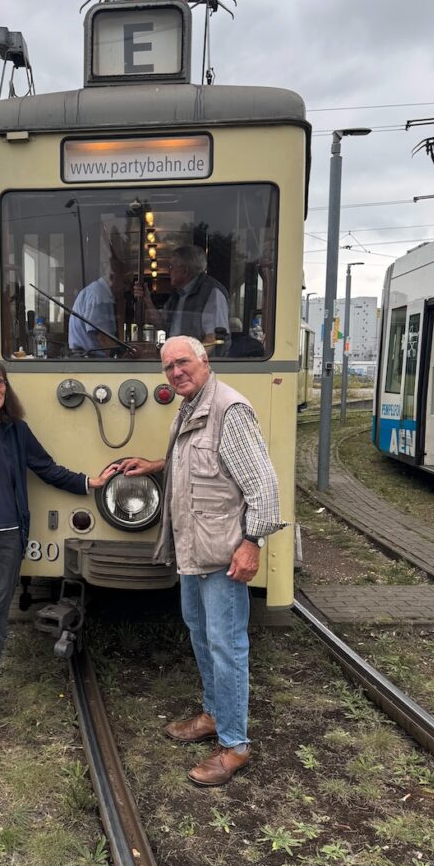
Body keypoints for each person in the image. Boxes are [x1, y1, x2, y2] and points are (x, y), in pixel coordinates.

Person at [116, 336, 285, 786]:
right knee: (201, 635)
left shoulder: (230, 410)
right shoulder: (190, 409)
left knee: (226, 646)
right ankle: (214, 714)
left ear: (204, 362)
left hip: (224, 554)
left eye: (183, 362)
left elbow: (263, 488)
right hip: (194, 551)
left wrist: (252, 544)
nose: (175, 372)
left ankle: (234, 745)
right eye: (168, 366)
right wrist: (154, 466)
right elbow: (197, 465)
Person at [0, 358, 117, 751]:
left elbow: (46, 468)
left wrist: (88, 482)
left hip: (8, 538)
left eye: (0, 384)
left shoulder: (16, 432)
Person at [134, 245, 230, 348]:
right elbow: (161, 324)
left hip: (200, 363)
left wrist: (192, 360)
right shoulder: (177, 296)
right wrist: (147, 301)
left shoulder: (212, 293)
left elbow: (214, 337)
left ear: (185, 271)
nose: (168, 271)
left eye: (171, 267)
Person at [68, 251, 129, 355]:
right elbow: (103, 337)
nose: (126, 288)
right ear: (112, 277)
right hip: (92, 362)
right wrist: (121, 357)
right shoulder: (99, 297)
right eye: (124, 282)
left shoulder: (96, 292)